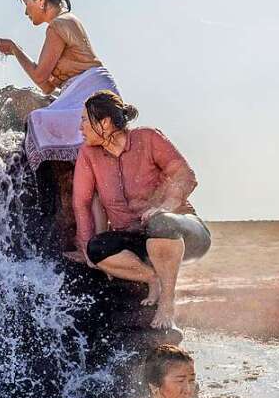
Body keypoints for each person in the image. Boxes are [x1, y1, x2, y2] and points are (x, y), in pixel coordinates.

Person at [70, 90, 211, 329]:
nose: (80, 127)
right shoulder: (88, 154)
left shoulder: (148, 138)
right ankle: (151, 278)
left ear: (104, 122)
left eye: (85, 120)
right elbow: (81, 203)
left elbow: (186, 175)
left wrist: (163, 207)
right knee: (97, 248)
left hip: (182, 230)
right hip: (136, 237)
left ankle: (167, 302)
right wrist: (86, 248)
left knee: (160, 223)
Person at [0, 0, 119, 168]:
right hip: (87, 90)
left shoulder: (58, 25)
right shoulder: (65, 21)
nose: (26, 11)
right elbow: (46, 86)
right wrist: (14, 51)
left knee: (36, 122)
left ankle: (45, 196)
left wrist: (15, 50)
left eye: (27, 3)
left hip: (91, 93)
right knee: (41, 121)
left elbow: (39, 75)